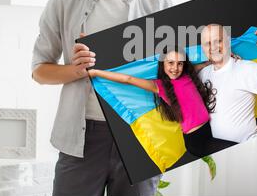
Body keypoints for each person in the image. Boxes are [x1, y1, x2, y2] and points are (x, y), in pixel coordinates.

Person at [31, 0, 172, 196]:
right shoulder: (63, 0)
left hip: (140, 134)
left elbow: (182, 73)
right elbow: (39, 70)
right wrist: (74, 70)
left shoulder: (158, 0)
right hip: (81, 139)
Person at [88, 46, 237, 158]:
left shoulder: (188, 76)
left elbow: (209, 62)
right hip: (197, 142)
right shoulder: (161, 86)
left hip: (210, 130)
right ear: (163, 64)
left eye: (179, 64)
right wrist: (96, 72)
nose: (175, 68)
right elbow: (128, 79)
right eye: (170, 63)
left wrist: (227, 57)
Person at [198, 24, 257, 143]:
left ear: (227, 42)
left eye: (218, 41)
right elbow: (178, 75)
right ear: (203, 48)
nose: (214, 47)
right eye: (208, 44)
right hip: (218, 152)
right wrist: (207, 63)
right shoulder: (202, 74)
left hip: (247, 147)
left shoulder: (245, 68)